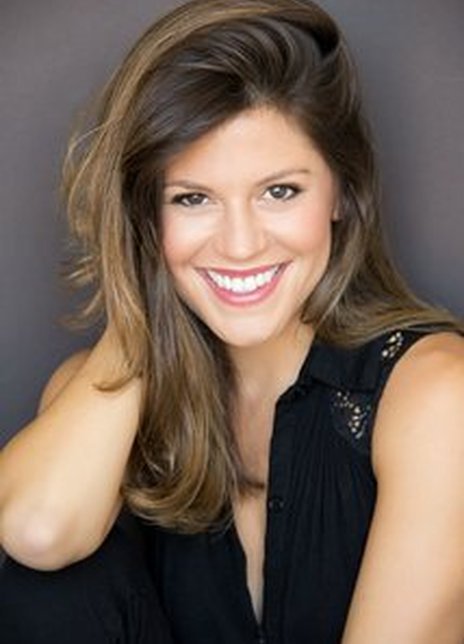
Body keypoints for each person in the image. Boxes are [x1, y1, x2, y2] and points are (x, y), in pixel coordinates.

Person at [1, 0, 463, 642]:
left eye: (280, 191)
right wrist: (141, 291)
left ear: (341, 192)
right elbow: (38, 533)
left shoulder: (437, 395)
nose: (241, 245)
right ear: (145, 219)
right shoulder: (102, 399)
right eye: (192, 199)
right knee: (47, 585)